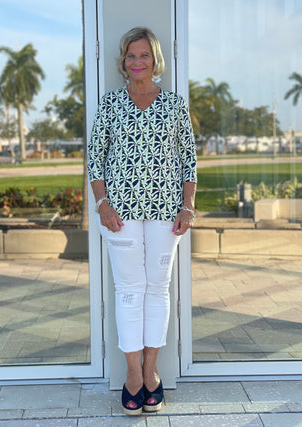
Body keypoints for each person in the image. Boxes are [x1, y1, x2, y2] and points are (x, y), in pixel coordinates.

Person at [88, 27, 197, 415]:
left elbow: (189, 161)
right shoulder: (111, 104)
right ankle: (133, 375)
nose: (137, 63)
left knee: (158, 290)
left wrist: (188, 207)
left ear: (155, 60)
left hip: (167, 213)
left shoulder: (174, 105)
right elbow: (94, 160)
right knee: (129, 291)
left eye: (144, 56)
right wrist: (102, 204)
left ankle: (152, 372)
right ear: (124, 61)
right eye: (131, 56)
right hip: (120, 214)